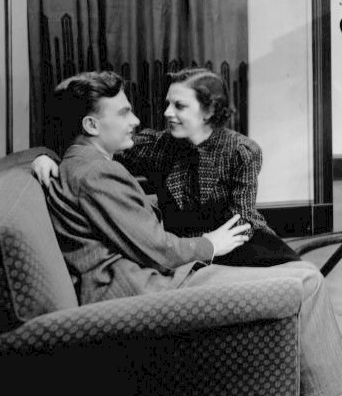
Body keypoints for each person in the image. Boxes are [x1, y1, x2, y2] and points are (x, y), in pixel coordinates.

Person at [42, 70, 342, 396]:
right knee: (305, 284)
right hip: (144, 288)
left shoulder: (89, 161)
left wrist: (50, 155)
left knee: (305, 276)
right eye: (124, 112)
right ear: (92, 125)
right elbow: (158, 249)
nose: (138, 120)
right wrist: (209, 244)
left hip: (156, 273)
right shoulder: (95, 171)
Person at [33, 68, 296, 267]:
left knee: (295, 271)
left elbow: (244, 222)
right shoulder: (156, 146)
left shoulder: (243, 151)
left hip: (238, 241)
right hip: (184, 250)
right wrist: (48, 158)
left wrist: (211, 248)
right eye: (168, 103)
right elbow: (90, 147)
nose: (167, 113)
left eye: (179, 106)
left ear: (209, 111)